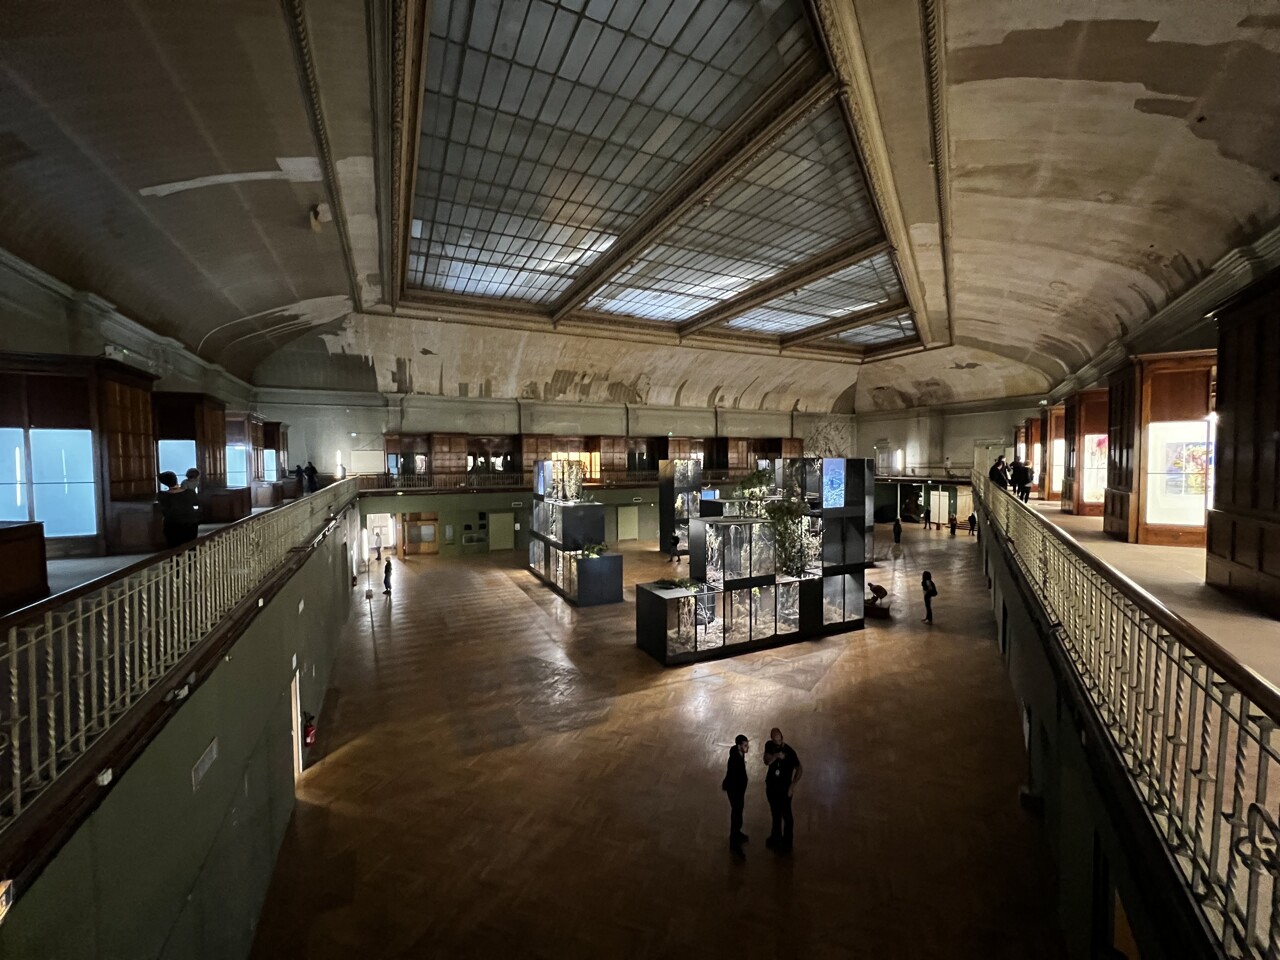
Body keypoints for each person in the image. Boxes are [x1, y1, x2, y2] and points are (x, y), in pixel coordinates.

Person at [763, 728, 802, 851]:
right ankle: (776, 837)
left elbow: (799, 769)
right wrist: (775, 756)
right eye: (775, 740)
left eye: (779, 739)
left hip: (784, 789)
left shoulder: (790, 752)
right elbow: (766, 761)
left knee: (787, 815)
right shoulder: (769, 745)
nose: (777, 742)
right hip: (772, 786)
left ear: (782, 737)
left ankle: (787, 842)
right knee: (775, 814)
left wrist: (792, 786)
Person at [156, 471, 200, 548]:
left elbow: (162, 509)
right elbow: (196, 503)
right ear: (176, 479)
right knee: (191, 546)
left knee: (174, 547)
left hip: (172, 523)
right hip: (190, 522)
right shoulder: (190, 492)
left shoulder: (162, 495)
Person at [722, 735, 750, 851]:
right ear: (739, 746)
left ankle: (737, 833)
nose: (747, 747)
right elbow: (734, 777)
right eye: (745, 745)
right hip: (735, 790)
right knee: (736, 813)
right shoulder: (734, 760)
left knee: (738, 812)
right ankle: (734, 842)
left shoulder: (739, 752)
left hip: (739, 789)